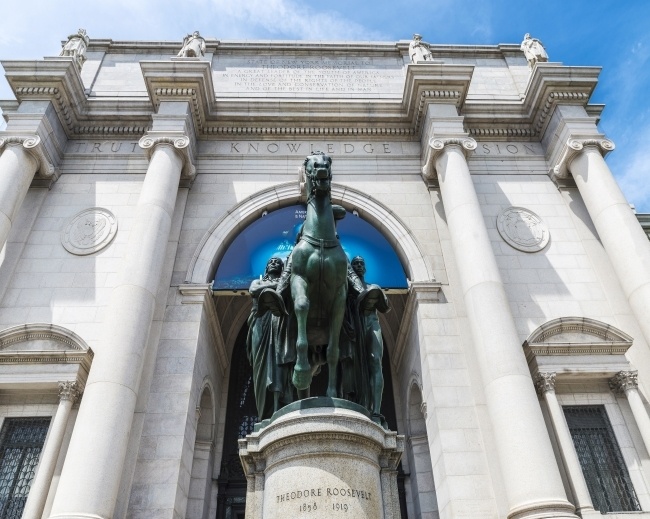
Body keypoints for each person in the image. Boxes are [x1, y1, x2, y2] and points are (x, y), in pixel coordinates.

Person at [340, 256, 390, 422]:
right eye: (355, 264)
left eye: (361, 263)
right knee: (351, 365)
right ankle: (354, 402)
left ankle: (376, 411)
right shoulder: (347, 290)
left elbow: (385, 307)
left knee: (375, 362)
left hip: (371, 324)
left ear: (365, 268)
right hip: (354, 327)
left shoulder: (372, 286)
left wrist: (377, 295)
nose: (359, 266)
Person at [246, 257, 293, 420]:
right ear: (266, 267)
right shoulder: (257, 282)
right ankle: (264, 413)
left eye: (278, 263)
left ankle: (279, 406)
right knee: (261, 367)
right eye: (271, 262)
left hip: (278, 324)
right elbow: (254, 290)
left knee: (278, 365)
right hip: (259, 324)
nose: (274, 263)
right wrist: (280, 284)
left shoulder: (282, 284)